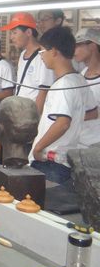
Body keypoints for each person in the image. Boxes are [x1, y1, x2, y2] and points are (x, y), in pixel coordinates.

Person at [29, 27, 97, 184]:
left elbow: (62, 123)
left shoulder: (63, 85)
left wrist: (38, 148)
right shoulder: (79, 80)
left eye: (41, 51)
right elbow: (93, 113)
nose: (41, 57)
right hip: (65, 159)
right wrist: (74, 119)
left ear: (53, 51)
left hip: (50, 161)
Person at [1, 12, 53, 114]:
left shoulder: (43, 56)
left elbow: (44, 91)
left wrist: (34, 118)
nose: (11, 37)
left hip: (32, 115)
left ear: (28, 32)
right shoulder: (23, 54)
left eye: (14, 33)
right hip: (20, 113)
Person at [73, 28, 100, 147]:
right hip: (78, 141)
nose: (74, 50)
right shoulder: (82, 74)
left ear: (92, 45)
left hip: (95, 144)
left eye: (78, 45)